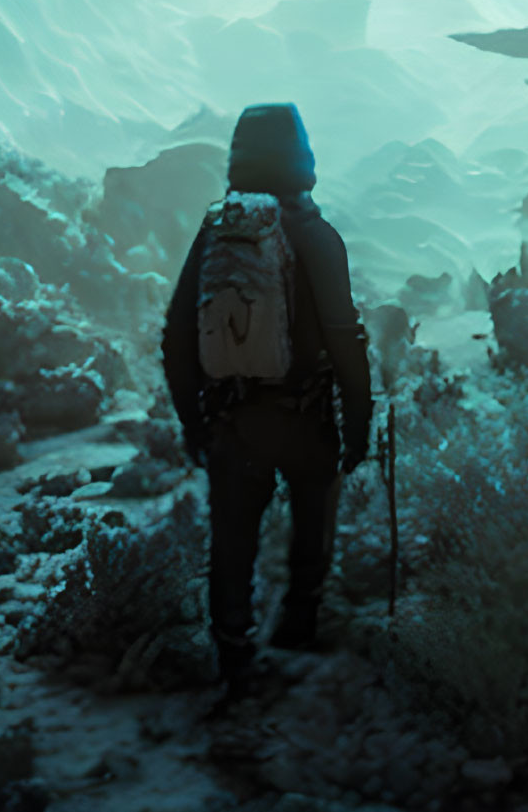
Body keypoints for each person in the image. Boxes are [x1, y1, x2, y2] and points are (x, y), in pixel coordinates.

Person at [162, 103, 372, 699]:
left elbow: (177, 332)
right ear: (303, 157)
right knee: (312, 527)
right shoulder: (316, 234)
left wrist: (192, 421)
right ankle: (297, 629)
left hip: (233, 420)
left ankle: (234, 659)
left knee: (232, 543)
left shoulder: (215, 233)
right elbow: (345, 335)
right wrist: (359, 420)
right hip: (306, 420)